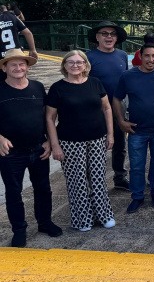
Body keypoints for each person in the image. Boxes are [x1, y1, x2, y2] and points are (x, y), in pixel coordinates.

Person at [45, 50, 117, 232]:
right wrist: (55, 145)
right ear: (64, 66)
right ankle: (82, 219)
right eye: (71, 62)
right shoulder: (57, 88)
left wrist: (110, 135)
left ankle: (104, 215)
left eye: (79, 62)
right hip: (70, 142)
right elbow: (49, 118)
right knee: (76, 181)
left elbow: (107, 108)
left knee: (98, 178)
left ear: (85, 64)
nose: (75, 65)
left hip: (97, 139)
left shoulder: (95, 83)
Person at [0, 49, 61, 247]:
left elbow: (46, 116)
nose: (18, 68)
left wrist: (48, 141)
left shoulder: (37, 87)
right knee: (14, 192)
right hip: (10, 152)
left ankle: (44, 222)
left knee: (43, 188)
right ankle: (19, 229)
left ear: (27, 67)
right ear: (4, 67)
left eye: (21, 64)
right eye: (13, 64)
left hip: (38, 147)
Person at [113, 43, 154, 213]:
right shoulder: (128, 76)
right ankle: (137, 196)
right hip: (136, 129)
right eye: (147, 56)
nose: (150, 59)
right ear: (140, 56)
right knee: (137, 165)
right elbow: (116, 99)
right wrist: (121, 120)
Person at [87, 21, 131, 191]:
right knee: (97, 147)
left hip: (118, 106)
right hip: (97, 110)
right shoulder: (89, 58)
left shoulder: (121, 55)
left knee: (120, 145)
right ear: (97, 37)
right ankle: (95, 182)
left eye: (112, 34)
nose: (109, 37)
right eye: (104, 33)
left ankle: (120, 177)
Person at [0, 5, 38, 81]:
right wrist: (33, 49)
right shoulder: (12, 17)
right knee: (19, 79)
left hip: (1, 56)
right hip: (16, 54)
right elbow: (28, 33)